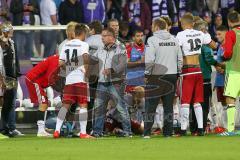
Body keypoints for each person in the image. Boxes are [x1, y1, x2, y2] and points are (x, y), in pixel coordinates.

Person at [176, 13, 216, 136]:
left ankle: (183, 130)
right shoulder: (200, 34)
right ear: (193, 23)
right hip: (199, 71)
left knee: (185, 101)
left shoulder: (180, 35)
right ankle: (200, 129)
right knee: (197, 101)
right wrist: (207, 35)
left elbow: (176, 51)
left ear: (182, 24)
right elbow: (213, 46)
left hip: (187, 71)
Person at [144, 18, 183, 138]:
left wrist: (147, 74)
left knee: (151, 105)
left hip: (156, 76)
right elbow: (180, 59)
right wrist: (177, 73)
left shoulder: (152, 40)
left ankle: (146, 133)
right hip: (172, 75)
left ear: (156, 27)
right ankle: (167, 133)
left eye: (152, 25)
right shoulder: (174, 39)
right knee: (168, 106)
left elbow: (149, 60)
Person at [54, 23, 93, 139]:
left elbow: (60, 63)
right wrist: (87, 73)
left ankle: (56, 131)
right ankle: (83, 133)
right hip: (80, 78)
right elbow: (86, 58)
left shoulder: (66, 45)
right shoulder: (84, 44)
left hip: (69, 80)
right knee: (83, 105)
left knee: (65, 106)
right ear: (83, 33)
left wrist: (69, 68)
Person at [92, 27, 132, 137]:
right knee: (99, 108)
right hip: (102, 82)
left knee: (120, 107)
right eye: (102, 36)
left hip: (116, 82)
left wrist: (111, 70)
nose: (102, 38)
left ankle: (128, 131)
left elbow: (123, 64)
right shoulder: (100, 48)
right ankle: (97, 132)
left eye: (104, 36)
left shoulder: (120, 48)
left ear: (111, 37)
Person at [190, 20, 221, 135]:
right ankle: (201, 128)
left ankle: (193, 129)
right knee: (204, 104)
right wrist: (218, 64)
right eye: (205, 29)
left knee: (194, 104)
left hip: (193, 75)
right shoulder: (204, 43)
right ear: (202, 30)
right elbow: (209, 58)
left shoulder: (191, 42)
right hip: (204, 77)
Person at [220, 11, 240, 136]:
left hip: (233, 70)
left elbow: (227, 52)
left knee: (230, 99)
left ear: (229, 22)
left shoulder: (231, 33)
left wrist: (222, 58)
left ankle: (231, 130)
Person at [0, 22, 21, 137]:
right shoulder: (1, 43)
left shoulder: (11, 42)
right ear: (5, 31)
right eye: (10, 29)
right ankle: (3, 128)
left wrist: (17, 73)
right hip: (4, 77)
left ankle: (9, 128)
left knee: (10, 103)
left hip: (12, 77)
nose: (12, 30)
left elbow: (14, 60)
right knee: (4, 103)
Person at [214, 25, 228, 133]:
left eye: (219, 34)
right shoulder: (220, 47)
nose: (217, 36)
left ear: (226, 34)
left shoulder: (228, 47)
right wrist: (217, 66)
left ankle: (228, 127)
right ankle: (224, 127)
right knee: (223, 104)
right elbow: (220, 63)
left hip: (227, 80)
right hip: (219, 81)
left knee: (228, 104)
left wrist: (220, 66)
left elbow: (229, 63)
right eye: (216, 34)